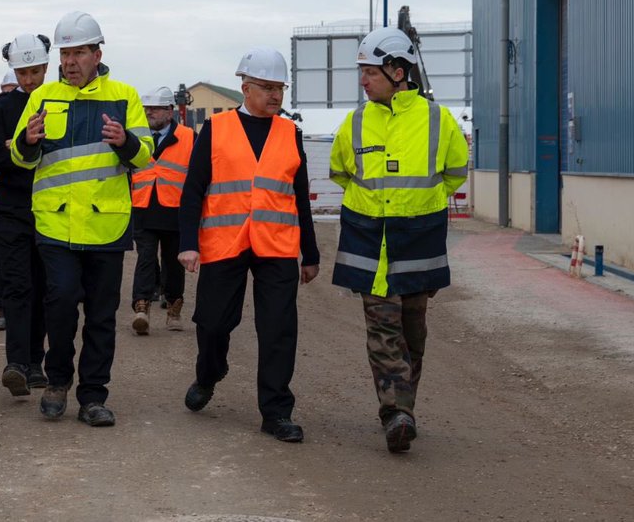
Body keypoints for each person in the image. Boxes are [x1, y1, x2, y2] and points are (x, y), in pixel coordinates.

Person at [329, 27, 468, 453]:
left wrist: (418, 205)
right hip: (370, 242)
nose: (363, 80)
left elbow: (455, 173)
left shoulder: (438, 120)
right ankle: (396, 413)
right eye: (362, 72)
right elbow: (340, 172)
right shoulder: (354, 122)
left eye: (369, 72)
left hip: (417, 243)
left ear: (397, 70)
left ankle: (402, 405)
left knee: (413, 333)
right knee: (383, 329)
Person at [11, 11, 152, 427]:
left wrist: (126, 142)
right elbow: (21, 157)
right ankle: (57, 381)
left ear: (97, 54)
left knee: (102, 316)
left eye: (79, 53)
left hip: (106, 224)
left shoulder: (124, 96)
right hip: (54, 223)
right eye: (65, 53)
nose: (70, 61)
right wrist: (28, 141)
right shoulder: (42, 97)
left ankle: (93, 397)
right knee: (60, 303)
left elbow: (145, 156)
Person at [177, 47, 319, 444]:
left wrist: (311, 253)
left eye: (280, 88)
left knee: (278, 330)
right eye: (268, 87)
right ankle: (209, 372)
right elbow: (193, 190)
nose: (276, 96)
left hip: (276, 246)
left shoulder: (290, 133)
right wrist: (188, 243)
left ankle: (276, 412)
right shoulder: (217, 129)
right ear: (245, 87)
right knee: (212, 323)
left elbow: (299, 196)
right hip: (225, 243)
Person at [0, 34, 52, 396]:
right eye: (22, 72)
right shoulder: (1, 108)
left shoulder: (58, 102)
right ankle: (15, 362)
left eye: (35, 71)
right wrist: (19, 146)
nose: (29, 80)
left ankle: (35, 362)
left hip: (49, 208)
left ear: (46, 67)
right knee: (17, 286)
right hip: (11, 209)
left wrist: (15, 146)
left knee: (44, 288)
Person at [129, 86, 193, 335]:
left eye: (155, 109)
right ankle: (141, 308)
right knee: (145, 258)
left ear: (169, 111)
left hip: (174, 209)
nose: (149, 113)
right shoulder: (137, 136)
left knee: (173, 261)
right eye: (147, 109)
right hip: (143, 206)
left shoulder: (189, 137)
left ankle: (174, 309)